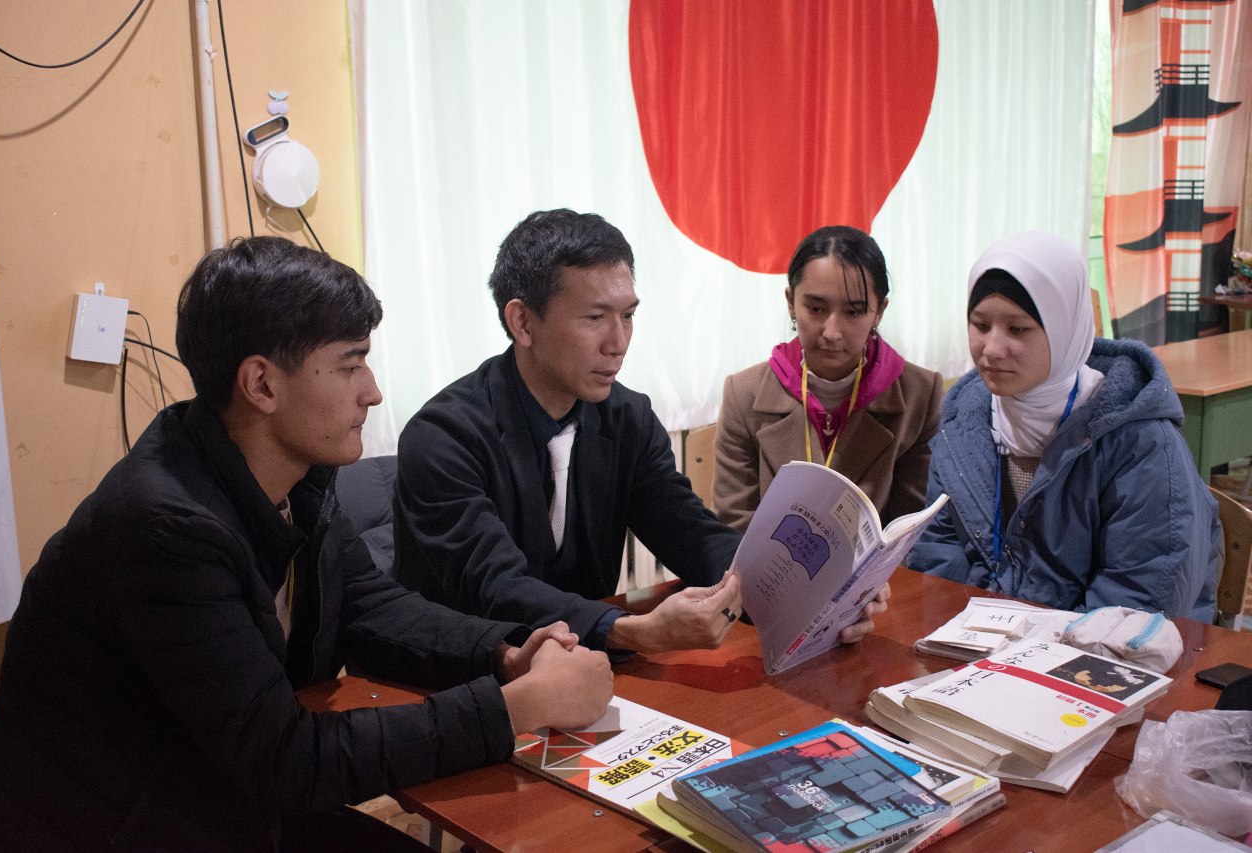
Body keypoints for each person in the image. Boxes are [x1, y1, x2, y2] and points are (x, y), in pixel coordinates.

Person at [0, 237, 613, 851]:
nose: (372, 391)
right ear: (261, 385)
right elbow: (285, 758)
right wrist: (510, 710)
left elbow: (373, 607)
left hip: (221, 800)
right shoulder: (164, 528)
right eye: (350, 364)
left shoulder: (293, 480)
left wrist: (505, 656)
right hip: (128, 826)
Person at [393, 209, 889, 655]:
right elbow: (495, 588)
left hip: (580, 665)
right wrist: (631, 630)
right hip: (465, 673)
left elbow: (690, 534)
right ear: (523, 322)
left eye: (628, 315)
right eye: (595, 318)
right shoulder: (443, 437)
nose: (619, 343)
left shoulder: (627, 417)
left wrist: (818, 595)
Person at [906, 230, 1219, 620]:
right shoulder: (962, 423)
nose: (992, 349)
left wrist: (1034, 644)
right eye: (980, 325)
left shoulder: (1139, 441)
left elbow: (1140, 599)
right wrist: (964, 632)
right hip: (982, 642)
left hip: (1101, 648)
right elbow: (937, 552)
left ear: (1064, 328)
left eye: (1017, 329)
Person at [713, 225, 943, 531]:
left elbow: (911, 527)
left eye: (853, 311)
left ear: (879, 311)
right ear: (790, 302)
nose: (832, 332)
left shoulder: (920, 395)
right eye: (816, 308)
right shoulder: (744, 395)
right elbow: (735, 526)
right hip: (771, 563)